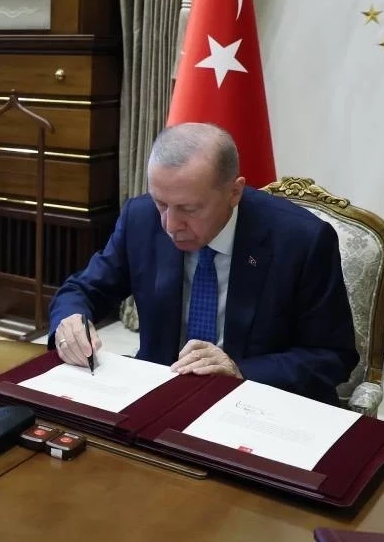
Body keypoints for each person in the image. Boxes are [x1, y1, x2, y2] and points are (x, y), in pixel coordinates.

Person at [49, 122, 358, 405]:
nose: (170, 225)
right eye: (161, 203)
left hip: (257, 403)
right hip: (159, 396)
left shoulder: (302, 240)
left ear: (234, 192)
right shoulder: (140, 219)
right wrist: (70, 322)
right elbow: (82, 290)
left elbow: (332, 356)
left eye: (189, 209)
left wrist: (241, 372)